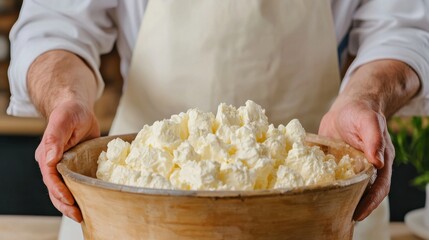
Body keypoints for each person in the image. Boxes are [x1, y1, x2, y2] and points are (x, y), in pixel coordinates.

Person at [7, 0, 429, 239]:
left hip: (318, 199)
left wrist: (367, 97)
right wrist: (65, 98)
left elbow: (404, 27)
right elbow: (55, 24)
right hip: (136, 202)